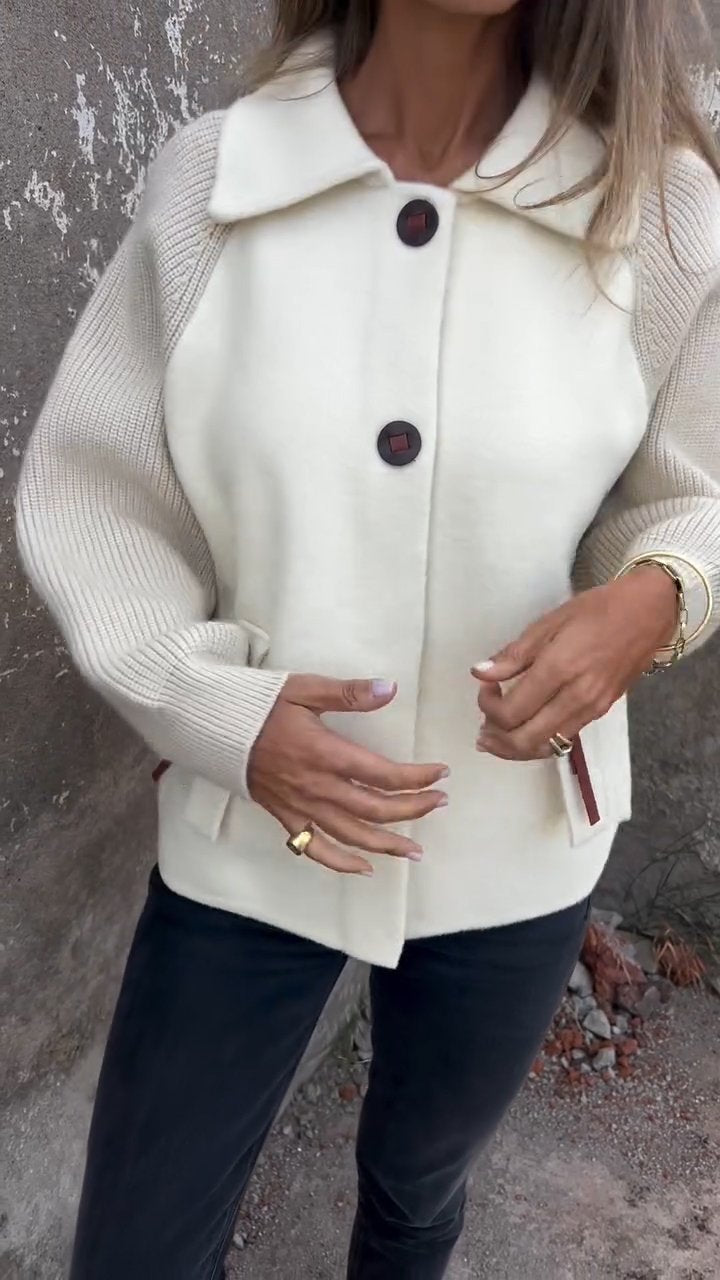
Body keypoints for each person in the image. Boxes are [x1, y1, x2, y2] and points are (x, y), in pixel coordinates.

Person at [16, 0, 720, 1276]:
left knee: (414, 1197)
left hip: (518, 842)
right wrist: (218, 711)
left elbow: (695, 491)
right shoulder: (217, 186)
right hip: (252, 825)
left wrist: (654, 597)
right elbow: (97, 498)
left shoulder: (654, 209)